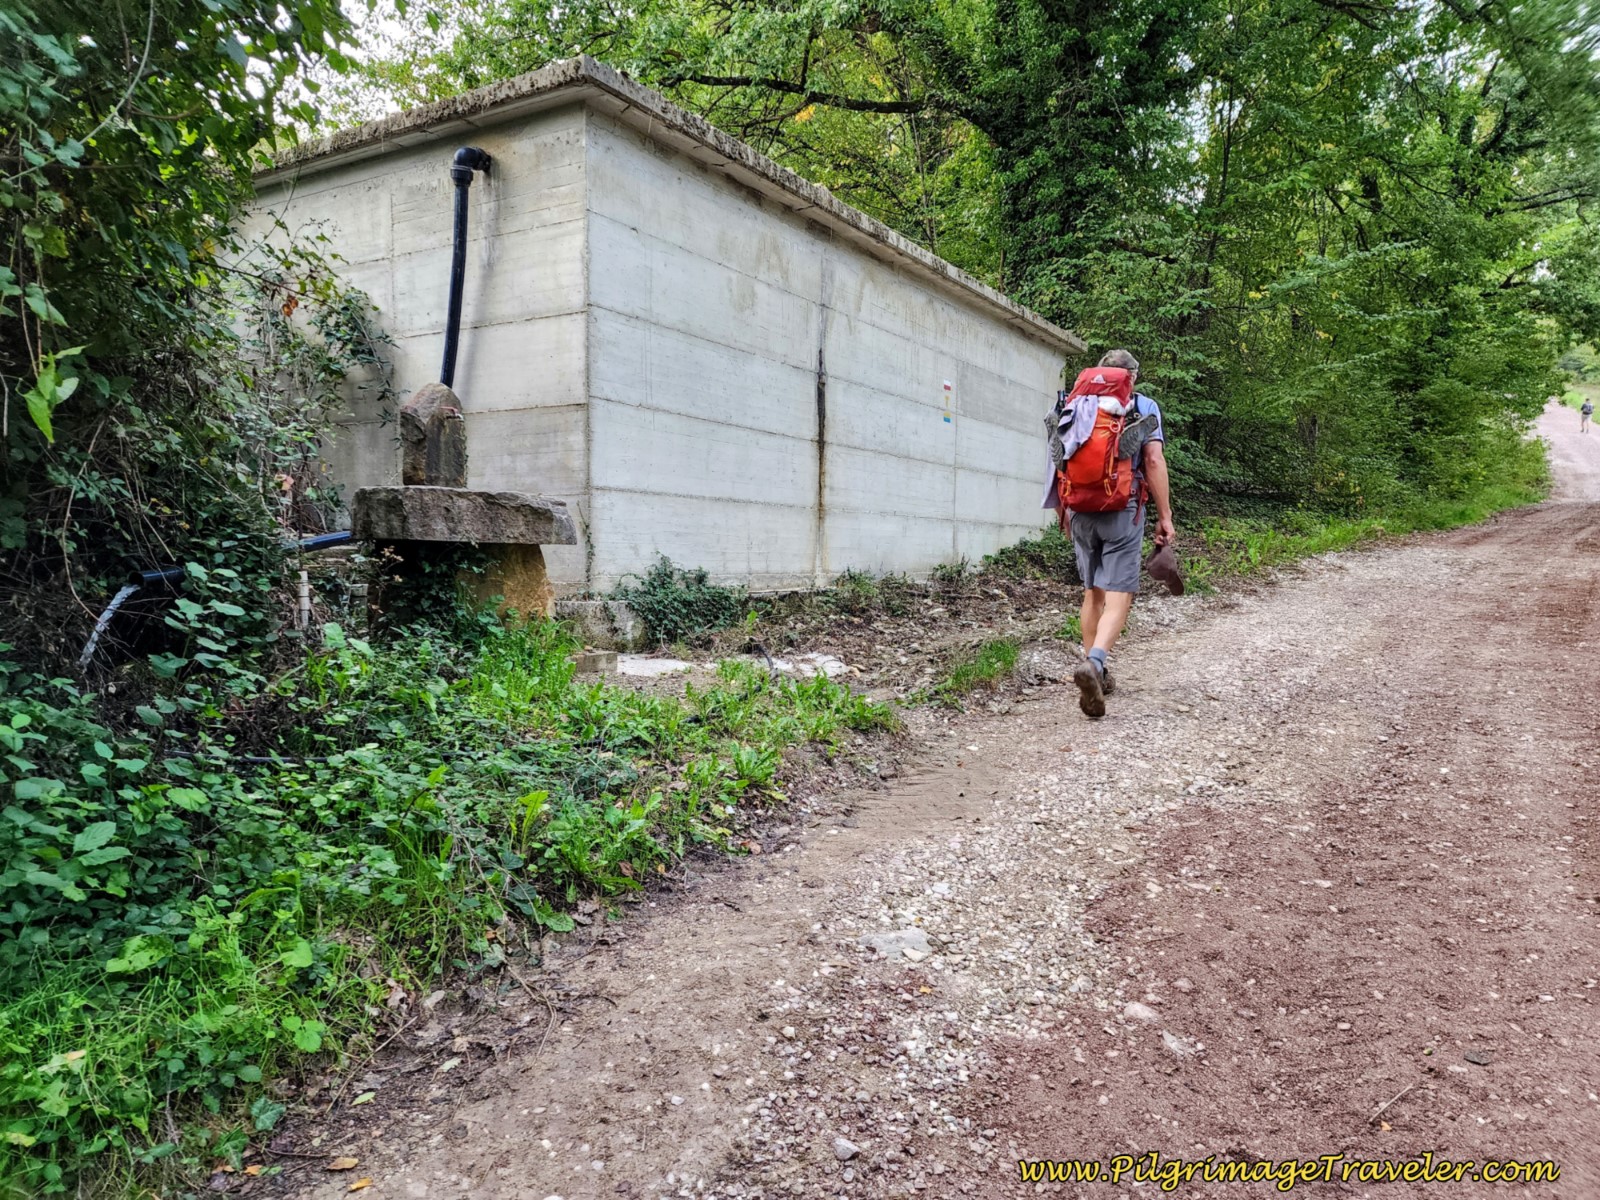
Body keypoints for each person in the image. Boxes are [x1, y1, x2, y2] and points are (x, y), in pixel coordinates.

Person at [1041, 349, 1175, 718]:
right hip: (1122, 509)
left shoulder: (1072, 403)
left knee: (1092, 592)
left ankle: (1093, 663)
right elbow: (1152, 460)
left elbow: (1057, 462)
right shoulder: (1142, 404)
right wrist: (1165, 516)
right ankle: (1096, 665)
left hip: (1079, 507)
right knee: (1120, 594)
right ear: (1132, 375)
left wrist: (1062, 511)